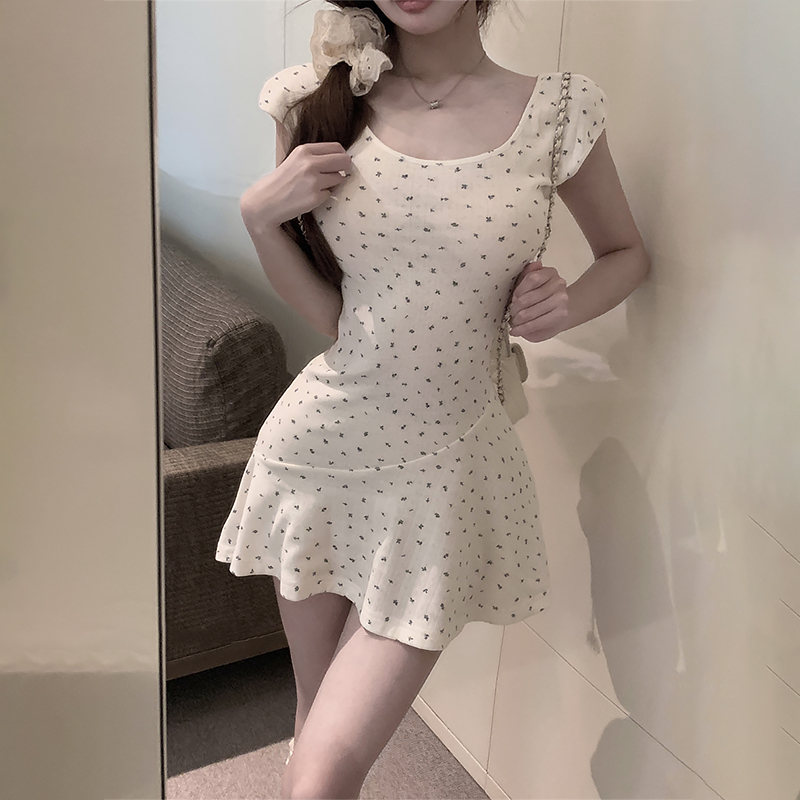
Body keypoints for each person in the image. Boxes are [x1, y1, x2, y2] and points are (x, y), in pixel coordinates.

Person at [216, 1, 651, 797]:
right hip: (319, 456)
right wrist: (257, 220)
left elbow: (626, 254)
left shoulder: (558, 110)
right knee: (313, 728)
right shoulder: (313, 100)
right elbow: (334, 318)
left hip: (445, 474)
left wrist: (566, 305)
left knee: (324, 771)